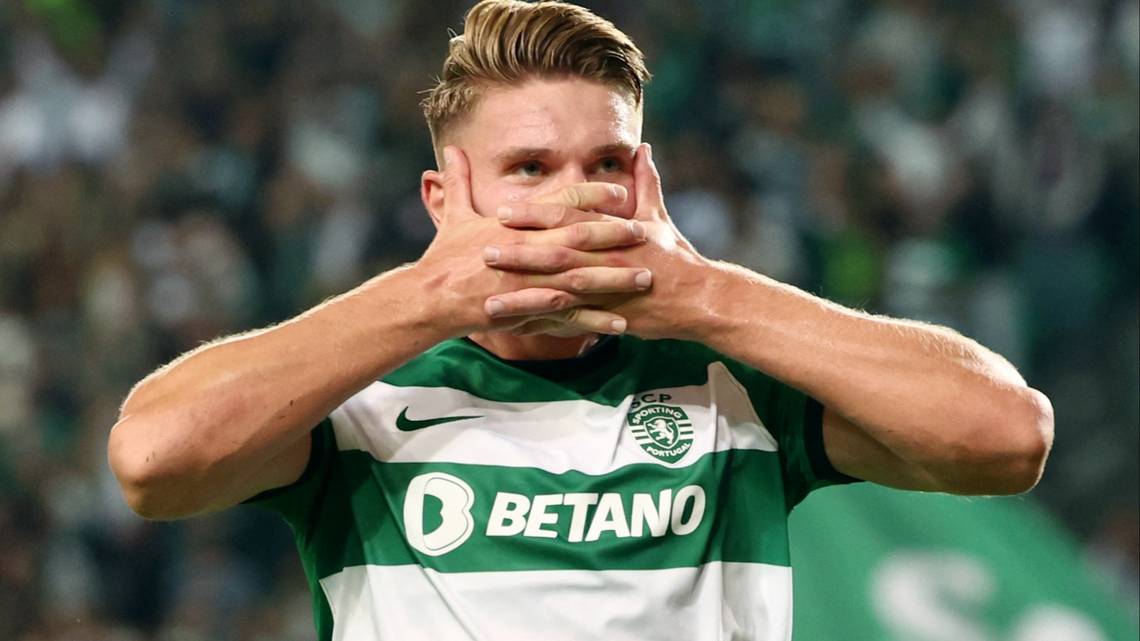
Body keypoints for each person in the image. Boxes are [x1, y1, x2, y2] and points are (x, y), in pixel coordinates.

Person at [107, 1, 1055, 639]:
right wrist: (426, 296)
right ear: (443, 200)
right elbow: (151, 461)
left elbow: (1006, 438)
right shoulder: (360, 398)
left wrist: (708, 294)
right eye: (530, 168)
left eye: (607, 164)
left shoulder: (735, 383)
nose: (576, 199)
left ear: (646, 183)